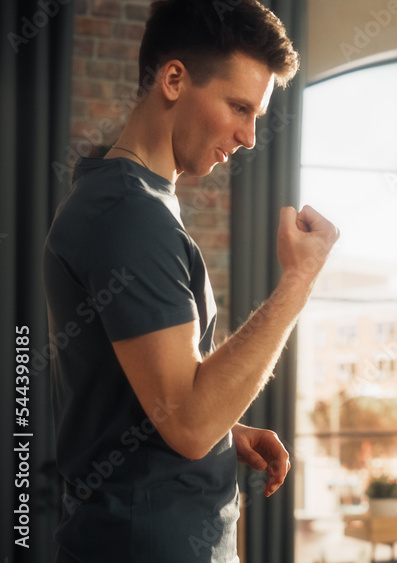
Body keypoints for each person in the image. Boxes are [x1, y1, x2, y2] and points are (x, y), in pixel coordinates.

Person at [42, 1, 338, 561]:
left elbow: (156, 399)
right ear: (173, 78)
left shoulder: (135, 201)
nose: (250, 136)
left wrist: (227, 435)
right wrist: (299, 279)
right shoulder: (127, 214)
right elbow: (189, 423)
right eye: (239, 107)